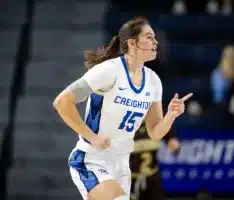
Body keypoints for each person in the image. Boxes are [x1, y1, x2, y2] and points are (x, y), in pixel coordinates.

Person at [53, 16, 192, 200]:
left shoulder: (153, 81)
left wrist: (171, 115)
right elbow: (62, 102)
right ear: (133, 44)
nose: (155, 41)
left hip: (121, 164)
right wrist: (91, 136)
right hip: (91, 160)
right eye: (149, 37)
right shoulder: (108, 71)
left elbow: (155, 133)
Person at [130, 122, 180, 200]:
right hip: (130, 178)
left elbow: (171, 138)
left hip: (152, 176)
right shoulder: (125, 122)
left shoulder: (156, 121)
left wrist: (173, 142)